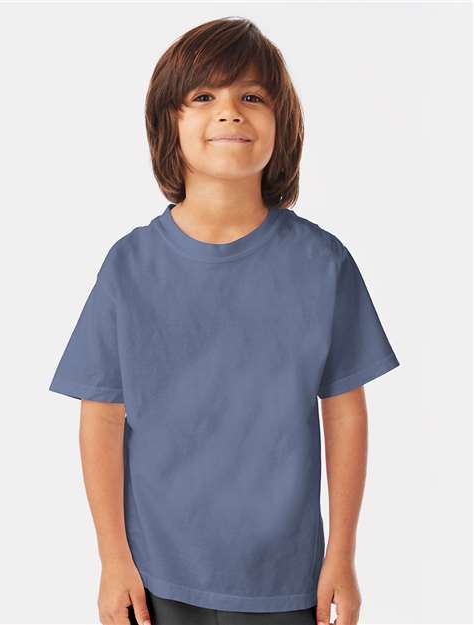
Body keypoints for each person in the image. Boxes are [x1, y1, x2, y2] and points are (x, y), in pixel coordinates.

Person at [49, 16, 400, 625]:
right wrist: (112, 559)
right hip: (155, 574)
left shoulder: (323, 264)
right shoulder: (128, 266)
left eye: (252, 97)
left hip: (286, 578)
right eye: (205, 96)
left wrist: (342, 554)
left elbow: (345, 411)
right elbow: (101, 415)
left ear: (282, 125)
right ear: (168, 124)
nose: (230, 112)